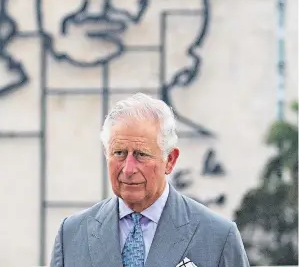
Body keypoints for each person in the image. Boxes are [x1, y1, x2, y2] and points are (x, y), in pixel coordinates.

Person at [50, 93, 250, 267]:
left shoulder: (218, 236)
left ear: (170, 160)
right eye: (119, 153)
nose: (128, 169)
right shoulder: (72, 234)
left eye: (141, 155)